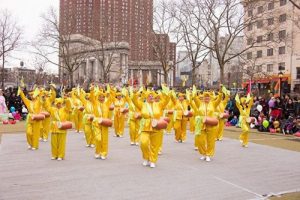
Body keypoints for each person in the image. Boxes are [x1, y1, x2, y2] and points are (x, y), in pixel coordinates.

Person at [131, 86, 170, 168]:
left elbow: (166, 100)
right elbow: (134, 100)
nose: (151, 97)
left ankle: (153, 160)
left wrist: (164, 92)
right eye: (149, 96)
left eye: (152, 96)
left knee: (154, 145)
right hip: (145, 126)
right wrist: (137, 92)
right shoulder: (142, 105)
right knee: (143, 143)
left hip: (156, 126)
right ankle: (146, 157)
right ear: (146, 97)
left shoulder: (159, 104)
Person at [190, 88, 222, 162]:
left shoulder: (213, 104)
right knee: (200, 140)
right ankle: (203, 153)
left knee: (210, 140)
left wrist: (220, 92)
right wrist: (193, 92)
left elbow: (219, 99)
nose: (206, 98)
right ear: (203, 98)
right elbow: (194, 98)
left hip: (211, 123)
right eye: (205, 97)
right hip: (201, 124)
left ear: (210, 98)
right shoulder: (200, 103)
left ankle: (208, 154)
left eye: (208, 97)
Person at [43, 94, 72, 160]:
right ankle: (54, 155)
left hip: (62, 126)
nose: (58, 104)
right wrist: (44, 100)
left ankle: (60, 155)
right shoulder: (53, 109)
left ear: (61, 103)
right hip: (54, 127)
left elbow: (68, 105)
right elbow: (47, 107)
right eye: (57, 103)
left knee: (61, 143)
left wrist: (66, 99)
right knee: (54, 142)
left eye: (60, 103)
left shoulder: (65, 109)